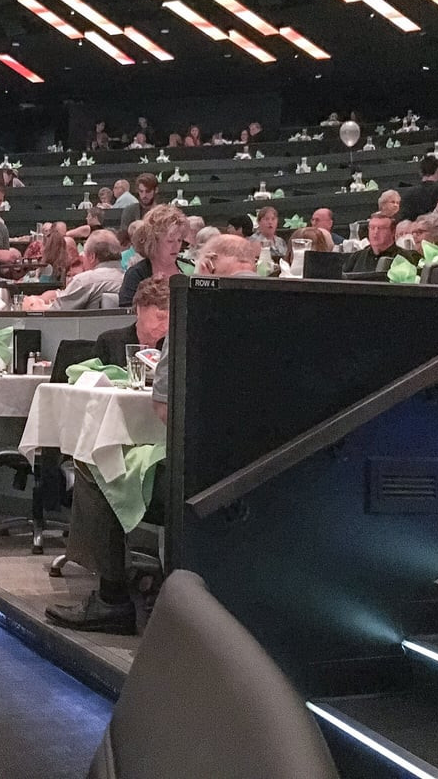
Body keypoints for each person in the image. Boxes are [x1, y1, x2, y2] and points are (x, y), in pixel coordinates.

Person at [46, 236, 260, 634]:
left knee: (94, 461)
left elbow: (165, 412)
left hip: (197, 479)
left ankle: (111, 599)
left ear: (209, 265)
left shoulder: (192, 318)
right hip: (272, 471)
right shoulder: (283, 308)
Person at [24, 231, 124, 311]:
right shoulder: (130, 279)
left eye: (83, 254)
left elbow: (56, 313)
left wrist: (35, 305)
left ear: (92, 256)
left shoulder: (85, 281)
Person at [118, 205, 187, 308]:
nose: (176, 246)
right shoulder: (136, 274)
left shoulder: (189, 268)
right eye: (170, 241)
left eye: (179, 240)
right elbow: (127, 312)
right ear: (154, 242)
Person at [93, 277, 170, 367]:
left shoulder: (176, 348)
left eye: (170, 320)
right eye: (160, 317)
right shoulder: (109, 342)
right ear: (139, 309)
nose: (165, 326)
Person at [343, 213, 414, 273]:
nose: (375, 232)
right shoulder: (357, 257)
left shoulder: (403, 257)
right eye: (372, 228)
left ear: (393, 232)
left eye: (381, 228)